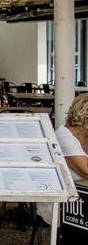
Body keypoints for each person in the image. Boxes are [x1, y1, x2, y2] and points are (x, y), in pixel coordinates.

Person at [38, 94, 88, 224]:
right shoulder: (64, 137)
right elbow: (86, 170)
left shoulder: (83, 136)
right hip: (64, 203)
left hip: (80, 196)